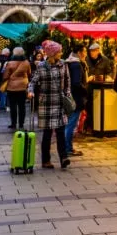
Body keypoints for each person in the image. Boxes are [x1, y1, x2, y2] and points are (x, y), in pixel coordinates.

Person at [28, 40, 72, 169]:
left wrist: (67, 95)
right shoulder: (41, 66)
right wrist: (30, 92)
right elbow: (33, 81)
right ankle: (45, 160)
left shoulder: (63, 64)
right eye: (59, 52)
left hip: (59, 102)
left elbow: (67, 82)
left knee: (60, 132)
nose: (61, 53)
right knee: (47, 134)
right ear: (52, 53)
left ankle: (63, 157)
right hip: (46, 103)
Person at [65, 44, 88, 157]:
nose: (85, 54)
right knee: (71, 123)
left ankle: (67, 147)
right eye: (84, 51)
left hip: (69, 97)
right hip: (76, 98)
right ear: (79, 52)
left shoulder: (68, 62)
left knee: (69, 123)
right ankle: (67, 148)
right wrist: (86, 91)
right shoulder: (76, 65)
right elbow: (76, 83)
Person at [2, 47, 32, 130]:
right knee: (22, 106)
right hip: (23, 87)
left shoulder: (10, 63)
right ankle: (21, 124)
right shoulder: (26, 63)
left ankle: (13, 124)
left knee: (13, 106)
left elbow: (5, 76)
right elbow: (29, 74)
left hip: (11, 87)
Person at [0, 48, 10, 112]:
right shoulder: (7, 61)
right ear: (7, 53)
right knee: (3, 92)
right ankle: (2, 105)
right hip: (4, 78)